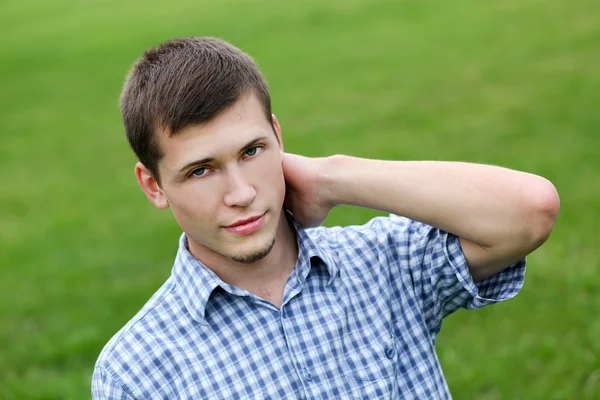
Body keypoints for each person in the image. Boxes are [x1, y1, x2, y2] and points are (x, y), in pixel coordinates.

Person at [92, 36, 560, 399]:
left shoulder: (382, 262)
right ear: (153, 185)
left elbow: (529, 210)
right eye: (200, 170)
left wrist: (332, 178)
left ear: (278, 136)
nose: (241, 193)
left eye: (252, 151)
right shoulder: (137, 369)